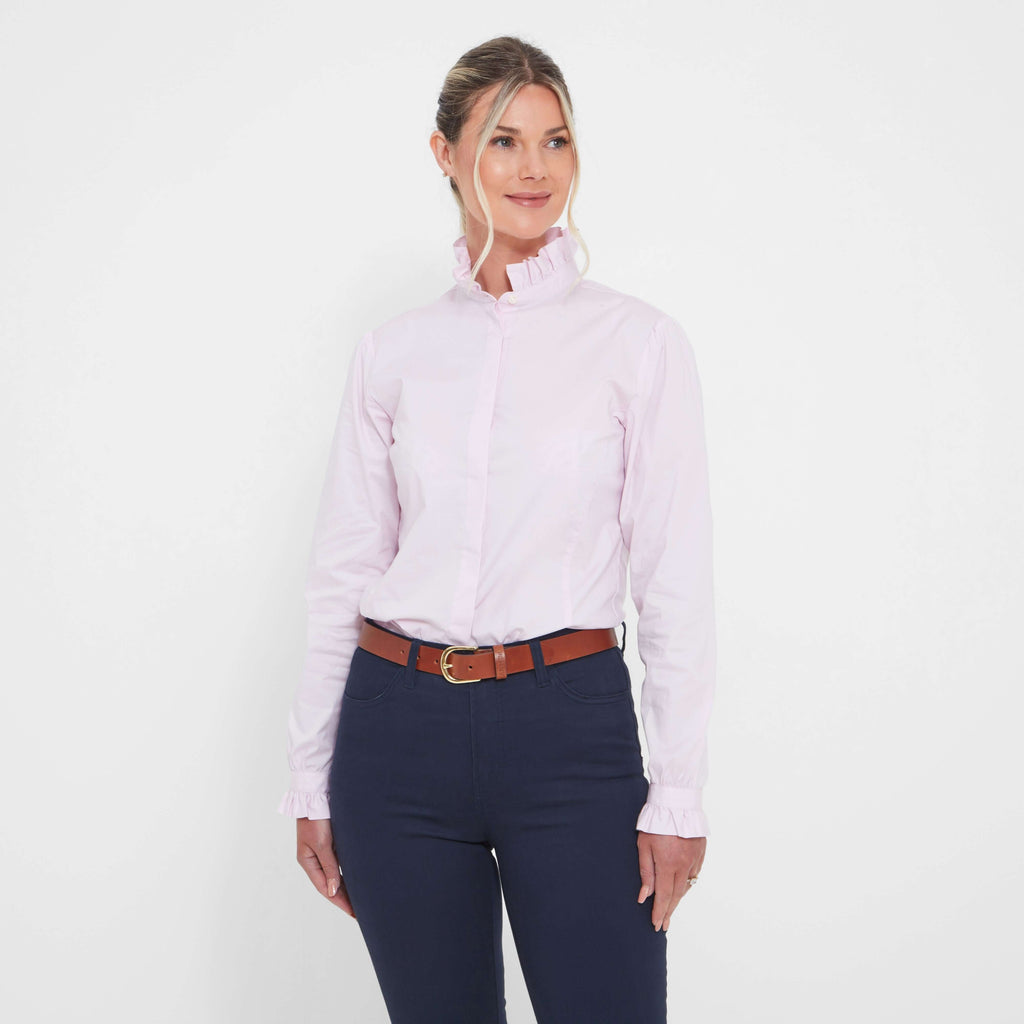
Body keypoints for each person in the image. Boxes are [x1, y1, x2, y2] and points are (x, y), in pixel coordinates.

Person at [276, 35, 716, 1024]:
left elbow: (674, 582)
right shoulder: (395, 353)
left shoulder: (637, 344)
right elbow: (343, 571)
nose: (534, 168)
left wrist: (679, 794)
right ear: (446, 154)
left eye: (555, 140)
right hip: (396, 735)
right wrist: (309, 776)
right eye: (503, 139)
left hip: (568, 731)